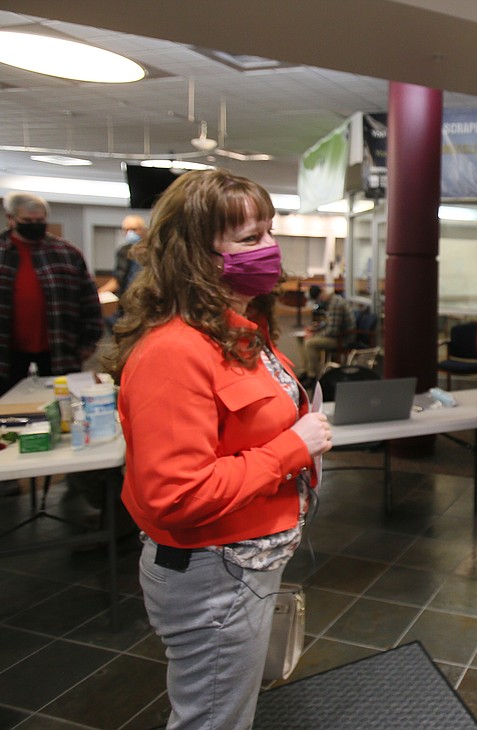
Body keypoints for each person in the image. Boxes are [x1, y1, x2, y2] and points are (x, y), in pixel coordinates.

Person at [106, 169, 333, 730]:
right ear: (197, 255)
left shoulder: (238, 330)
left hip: (246, 562)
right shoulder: (174, 351)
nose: (271, 250)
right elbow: (174, 496)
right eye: (250, 238)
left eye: (270, 232)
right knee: (213, 719)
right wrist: (291, 449)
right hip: (214, 575)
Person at [0, 192, 103, 402]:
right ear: (10, 219)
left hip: (60, 346)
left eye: (39, 221)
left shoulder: (66, 253)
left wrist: (89, 341)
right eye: (27, 221)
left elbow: (89, 301)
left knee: (64, 404)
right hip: (3, 349)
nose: (34, 225)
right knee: (5, 405)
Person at [300, 284, 354, 380]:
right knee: (304, 338)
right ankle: (306, 371)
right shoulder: (332, 301)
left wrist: (315, 335)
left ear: (320, 296)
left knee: (310, 343)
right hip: (336, 336)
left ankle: (312, 376)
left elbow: (332, 330)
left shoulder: (336, 304)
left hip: (342, 339)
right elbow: (329, 323)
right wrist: (315, 329)